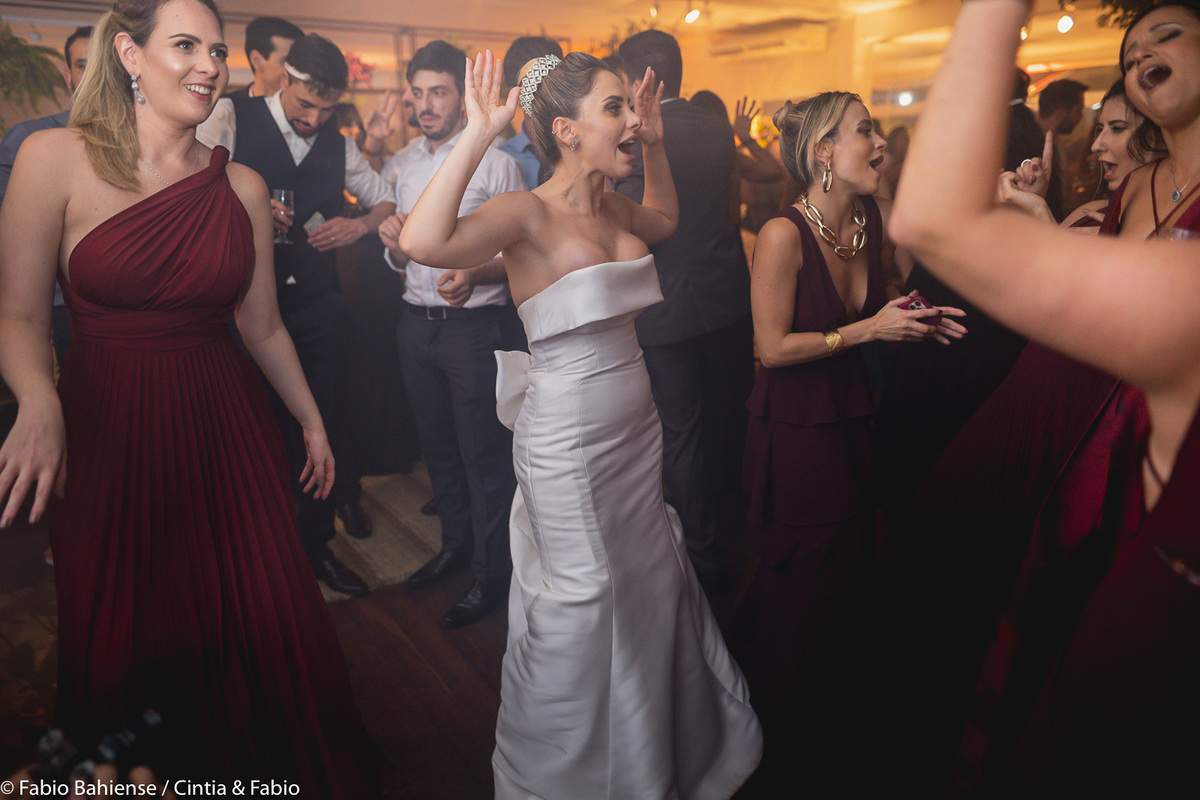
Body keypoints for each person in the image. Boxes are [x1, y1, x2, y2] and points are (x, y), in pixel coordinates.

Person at [0, 0, 373, 794]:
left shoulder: (241, 186)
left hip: (227, 431)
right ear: (130, 55)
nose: (211, 66)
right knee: (122, 628)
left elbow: (263, 327)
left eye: (218, 50)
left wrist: (312, 420)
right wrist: (37, 400)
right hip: (107, 431)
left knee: (248, 613)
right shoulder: (51, 157)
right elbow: (20, 316)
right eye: (185, 45)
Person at [397, 49, 762, 798]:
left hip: (635, 427)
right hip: (567, 441)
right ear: (566, 130)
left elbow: (665, 219)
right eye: (615, 108)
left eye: (631, 106)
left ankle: (661, 743)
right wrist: (478, 132)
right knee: (587, 596)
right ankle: (575, 771)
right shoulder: (524, 212)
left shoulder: (615, 207)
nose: (631, 119)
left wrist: (654, 144)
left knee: (648, 581)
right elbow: (422, 243)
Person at [891, 0, 1200, 794]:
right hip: (1086, 413)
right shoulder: (1139, 191)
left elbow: (936, 219)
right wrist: (1043, 222)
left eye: (1166, 34)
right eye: (1129, 49)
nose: (1140, 52)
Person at [732, 91, 965, 796]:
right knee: (805, 584)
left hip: (856, 418)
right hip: (799, 431)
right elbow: (771, 348)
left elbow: (882, 301)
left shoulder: (866, 219)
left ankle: (834, 730)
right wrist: (870, 331)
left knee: (852, 575)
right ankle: (775, 737)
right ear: (824, 151)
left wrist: (916, 317)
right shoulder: (782, 234)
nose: (880, 141)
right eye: (865, 131)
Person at [198, 33, 397, 594]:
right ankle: (259, 555)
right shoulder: (231, 116)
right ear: (284, 78)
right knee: (250, 434)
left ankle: (316, 546)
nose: (314, 119)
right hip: (241, 309)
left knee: (320, 427)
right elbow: (189, 187)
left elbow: (386, 198)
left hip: (316, 308)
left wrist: (359, 226)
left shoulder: (339, 145)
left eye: (326, 109)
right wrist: (244, 204)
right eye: (306, 104)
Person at [376, 40, 526, 628]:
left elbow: (520, 253)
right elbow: (403, 259)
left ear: (461, 98)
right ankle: (455, 549)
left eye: (438, 92)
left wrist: (476, 272)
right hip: (415, 326)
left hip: (473, 331)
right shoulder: (403, 162)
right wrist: (393, 246)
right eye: (418, 93)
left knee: (483, 456)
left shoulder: (498, 162)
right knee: (437, 450)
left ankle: (493, 575)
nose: (425, 104)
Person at [613, 30, 754, 593]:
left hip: (664, 309)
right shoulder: (718, 129)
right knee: (729, 418)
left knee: (683, 434)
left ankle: (704, 554)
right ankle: (745, 530)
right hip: (726, 298)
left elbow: (634, 224)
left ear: (639, 81)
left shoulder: (634, 137)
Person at [0, 24, 92, 368]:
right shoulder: (29, 139)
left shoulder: (146, 145)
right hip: (60, 307)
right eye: (84, 65)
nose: (94, 75)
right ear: (69, 76)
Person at [500, 36, 563, 189]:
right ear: (517, 96)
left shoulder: (580, 150)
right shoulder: (502, 159)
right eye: (537, 87)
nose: (550, 96)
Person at [224, 16, 302, 99]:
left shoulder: (305, 106)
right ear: (257, 61)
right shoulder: (227, 105)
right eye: (286, 62)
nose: (296, 72)